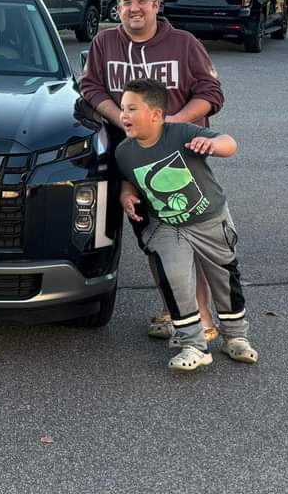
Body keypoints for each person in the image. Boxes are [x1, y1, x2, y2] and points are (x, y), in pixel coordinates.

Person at [80, 0, 224, 341]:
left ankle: (204, 320)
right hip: (131, 160)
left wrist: (173, 123)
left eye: (142, 1)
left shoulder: (184, 44)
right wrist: (122, 121)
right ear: (119, 9)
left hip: (180, 160)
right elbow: (91, 87)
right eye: (127, 3)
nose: (135, 9)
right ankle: (175, 310)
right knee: (156, 238)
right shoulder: (105, 43)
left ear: (157, 5)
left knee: (189, 238)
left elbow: (211, 93)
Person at [114, 78, 258, 371]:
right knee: (176, 281)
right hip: (168, 227)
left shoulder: (180, 133)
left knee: (224, 278)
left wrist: (213, 144)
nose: (124, 115)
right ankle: (193, 344)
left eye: (131, 109)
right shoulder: (124, 151)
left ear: (156, 114)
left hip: (210, 220)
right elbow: (128, 178)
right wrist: (127, 195)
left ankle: (236, 337)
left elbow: (230, 144)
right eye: (122, 109)